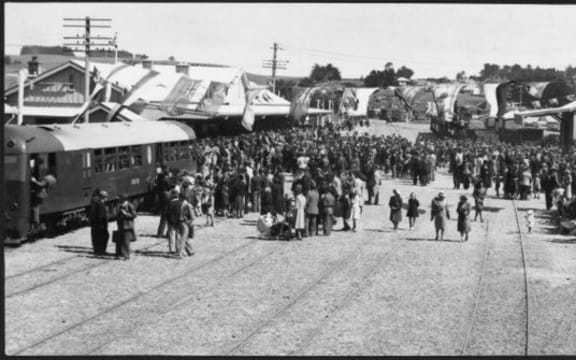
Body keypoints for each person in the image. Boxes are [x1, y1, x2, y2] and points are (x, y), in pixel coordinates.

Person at [115, 194, 137, 260]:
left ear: (123, 199)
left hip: (127, 227)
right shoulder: (120, 206)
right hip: (121, 226)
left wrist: (126, 214)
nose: (118, 200)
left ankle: (127, 256)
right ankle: (121, 254)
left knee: (126, 242)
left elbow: (134, 215)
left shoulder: (130, 205)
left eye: (119, 199)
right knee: (120, 241)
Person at [88, 190, 109, 255]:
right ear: (103, 197)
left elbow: (92, 214)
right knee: (103, 237)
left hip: (95, 224)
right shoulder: (99, 204)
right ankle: (101, 251)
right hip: (100, 224)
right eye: (106, 197)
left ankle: (97, 250)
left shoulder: (96, 203)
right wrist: (103, 223)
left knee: (96, 237)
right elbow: (101, 215)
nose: (107, 198)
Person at [175, 192, 195, 259]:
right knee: (185, 238)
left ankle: (179, 253)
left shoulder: (188, 205)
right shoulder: (180, 204)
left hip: (184, 223)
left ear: (182, 198)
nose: (178, 198)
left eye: (179, 197)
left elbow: (192, 217)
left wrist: (188, 223)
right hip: (180, 222)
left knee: (183, 238)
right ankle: (190, 251)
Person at [166, 189, 181, 254]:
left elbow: (168, 213)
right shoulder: (180, 203)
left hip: (171, 221)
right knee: (178, 235)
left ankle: (171, 249)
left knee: (171, 235)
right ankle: (178, 248)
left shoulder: (170, 203)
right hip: (178, 221)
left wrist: (169, 220)